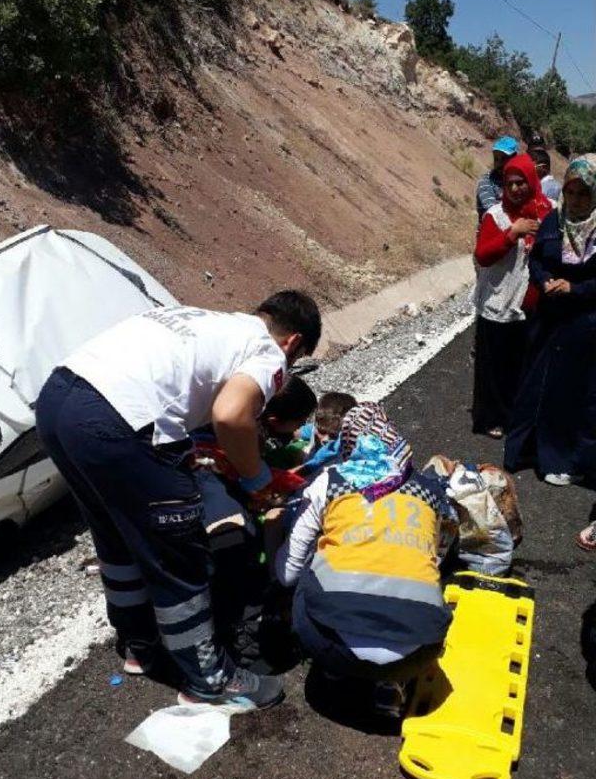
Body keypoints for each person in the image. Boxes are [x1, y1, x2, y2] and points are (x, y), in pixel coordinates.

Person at [35, 291, 321, 712]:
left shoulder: (204, 317)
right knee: (179, 555)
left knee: (117, 536)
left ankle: (139, 645)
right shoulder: (267, 351)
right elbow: (230, 414)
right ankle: (210, 679)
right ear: (293, 343)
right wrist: (258, 478)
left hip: (59, 400)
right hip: (121, 419)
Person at [275, 402, 457, 717]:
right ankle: (393, 681)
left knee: (312, 562)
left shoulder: (331, 480)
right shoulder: (433, 491)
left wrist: (272, 530)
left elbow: (288, 574)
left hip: (331, 646)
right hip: (420, 649)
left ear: (348, 445)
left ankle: (335, 669)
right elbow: (436, 557)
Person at [505, 155, 596, 486]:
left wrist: (575, 287)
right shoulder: (553, 222)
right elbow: (537, 261)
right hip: (548, 321)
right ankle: (531, 452)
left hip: (583, 325)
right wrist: (544, 281)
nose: (575, 200)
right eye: (571, 193)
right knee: (537, 385)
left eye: (584, 194)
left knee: (575, 393)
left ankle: (570, 460)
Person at [472, 154, 552, 438]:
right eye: (510, 184)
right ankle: (492, 418)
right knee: (495, 366)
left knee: (524, 364)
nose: (516, 189)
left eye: (521, 183)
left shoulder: (547, 212)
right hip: (498, 300)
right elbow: (483, 255)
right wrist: (512, 233)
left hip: (532, 305)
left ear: (532, 181)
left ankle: (520, 416)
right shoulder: (496, 215)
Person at [296, 390, 358, 477]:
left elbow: (307, 469)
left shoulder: (335, 449)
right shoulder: (320, 426)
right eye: (322, 432)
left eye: (333, 436)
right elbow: (297, 432)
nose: (326, 439)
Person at [476, 135, 519, 224]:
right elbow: (493, 212)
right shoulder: (487, 181)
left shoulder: (519, 180)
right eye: (496, 159)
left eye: (504, 159)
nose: (499, 163)